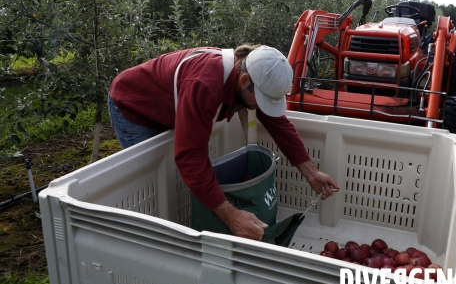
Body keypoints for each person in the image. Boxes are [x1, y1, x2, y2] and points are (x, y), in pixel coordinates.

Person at [107, 44, 340, 241]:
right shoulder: (206, 84)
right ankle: (158, 240)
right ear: (244, 80)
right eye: (260, 100)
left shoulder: (249, 75)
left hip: (170, 105)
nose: (260, 107)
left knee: (183, 174)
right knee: (156, 184)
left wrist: (311, 172)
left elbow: (277, 124)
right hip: (134, 107)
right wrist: (231, 215)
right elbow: (190, 157)